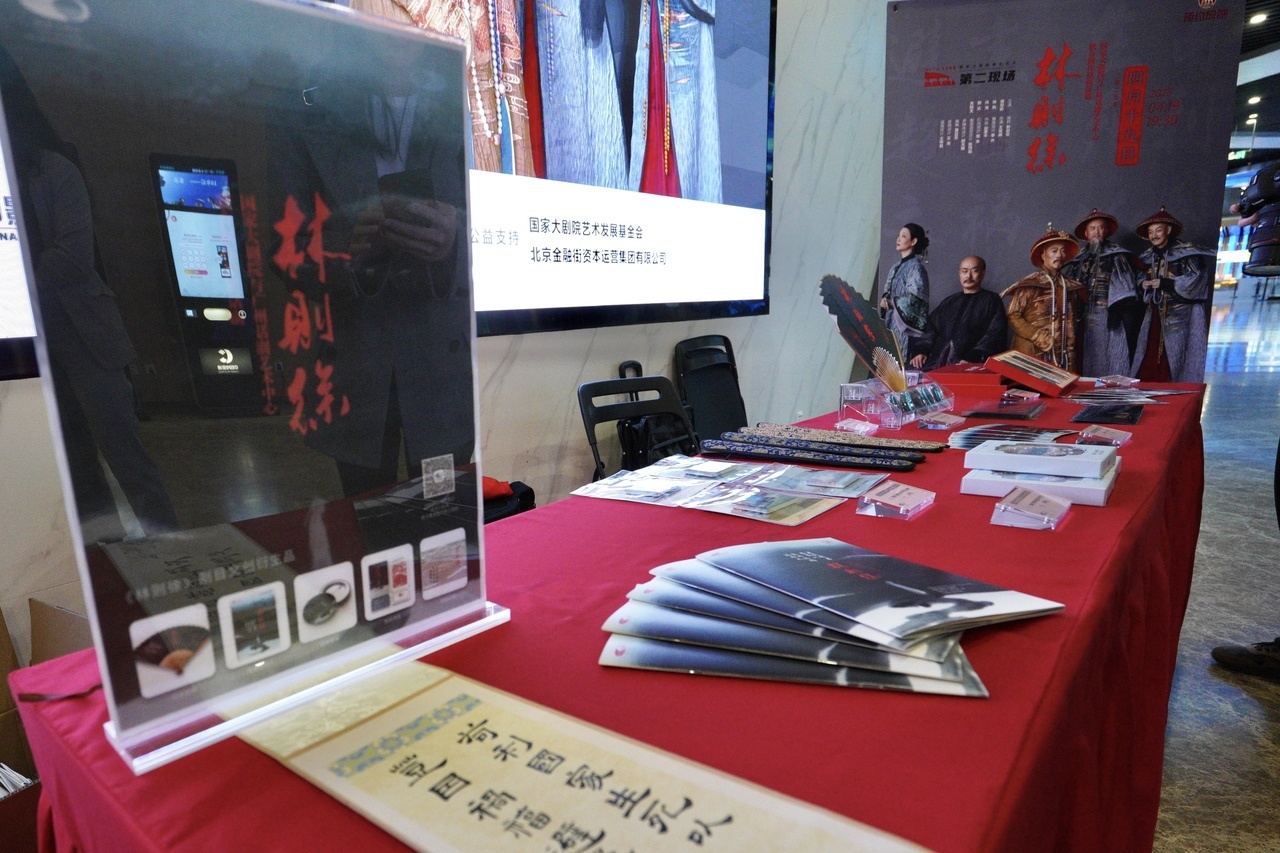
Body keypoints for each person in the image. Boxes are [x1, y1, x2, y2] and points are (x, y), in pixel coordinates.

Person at [269, 30, 475, 497]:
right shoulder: (304, 110)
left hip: (446, 365)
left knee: (445, 516)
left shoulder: (471, 103)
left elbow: (508, 226)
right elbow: (284, 249)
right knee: (369, 517)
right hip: (357, 361)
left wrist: (455, 242)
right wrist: (345, 249)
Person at [1, 53, 178, 539]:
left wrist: (15, 282)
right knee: (75, 460)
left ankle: (168, 547)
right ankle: (107, 552)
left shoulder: (54, 169)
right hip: (29, 341)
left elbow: (73, 255)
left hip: (84, 333)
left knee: (125, 453)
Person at [1133, 206, 1214, 383]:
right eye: (1150, 232)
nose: (1154, 235)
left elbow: (1197, 278)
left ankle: (1175, 382)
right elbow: (1140, 274)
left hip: (1180, 313)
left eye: (1158, 230)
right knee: (1150, 347)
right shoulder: (1147, 256)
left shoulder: (1187, 252)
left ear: (1168, 230)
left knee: (1178, 350)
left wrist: (1166, 283)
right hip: (1155, 310)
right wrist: (1143, 283)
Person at [1061, 208, 1142, 377]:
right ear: (1086, 233)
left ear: (1106, 231)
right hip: (1082, 315)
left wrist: (1117, 309)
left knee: (1112, 354)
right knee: (1086, 355)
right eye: (1092, 228)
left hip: (1109, 312)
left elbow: (1125, 283)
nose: (1096, 232)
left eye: (1100, 228)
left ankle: (1114, 389)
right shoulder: (1078, 259)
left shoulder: (1117, 255)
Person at [1002, 226, 1086, 372]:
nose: (1059, 255)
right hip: (1032, 350)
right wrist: (1037, 335)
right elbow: (1012, 315)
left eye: (1063, 251)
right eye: (1054, 251)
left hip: (1063, 354)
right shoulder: (1030, 284)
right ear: (1043, 255)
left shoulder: (1070, 286)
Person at [908, 255, 1008, 370]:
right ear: (960, 273)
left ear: (983, 273)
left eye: (974, 271)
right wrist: (921, 350)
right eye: (964, 271)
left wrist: (973, 356)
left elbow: (995, 334)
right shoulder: (950, 302)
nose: (968, 276)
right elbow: (931, 328)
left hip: (970, 364)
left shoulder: (992, 300)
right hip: (937, 361)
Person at [880, 223, 930, 354]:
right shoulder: (895, 266)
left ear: (913, 241)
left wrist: (891, 302)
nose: (898, 239)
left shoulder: (916, 267)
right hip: (891, 321)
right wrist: (885, 299)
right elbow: (888, 290)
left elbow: (916, 299)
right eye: (898, 235)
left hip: (904, 326)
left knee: (901, 357)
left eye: (903, 236)